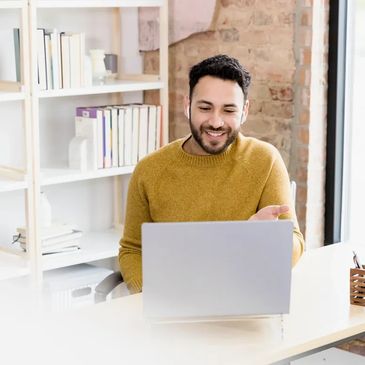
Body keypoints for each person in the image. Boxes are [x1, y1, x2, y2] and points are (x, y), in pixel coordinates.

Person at [119, 54, 305, 294]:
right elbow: (133, 250)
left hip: (245, 300)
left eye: (228, 110)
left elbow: (296, 246)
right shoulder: (149, 170)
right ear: (187, 105)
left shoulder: (264, 160)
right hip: (171, 305)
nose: (216, 122)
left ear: (245, 111)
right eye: (205, 108)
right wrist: (151, 296)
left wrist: (261, 238)